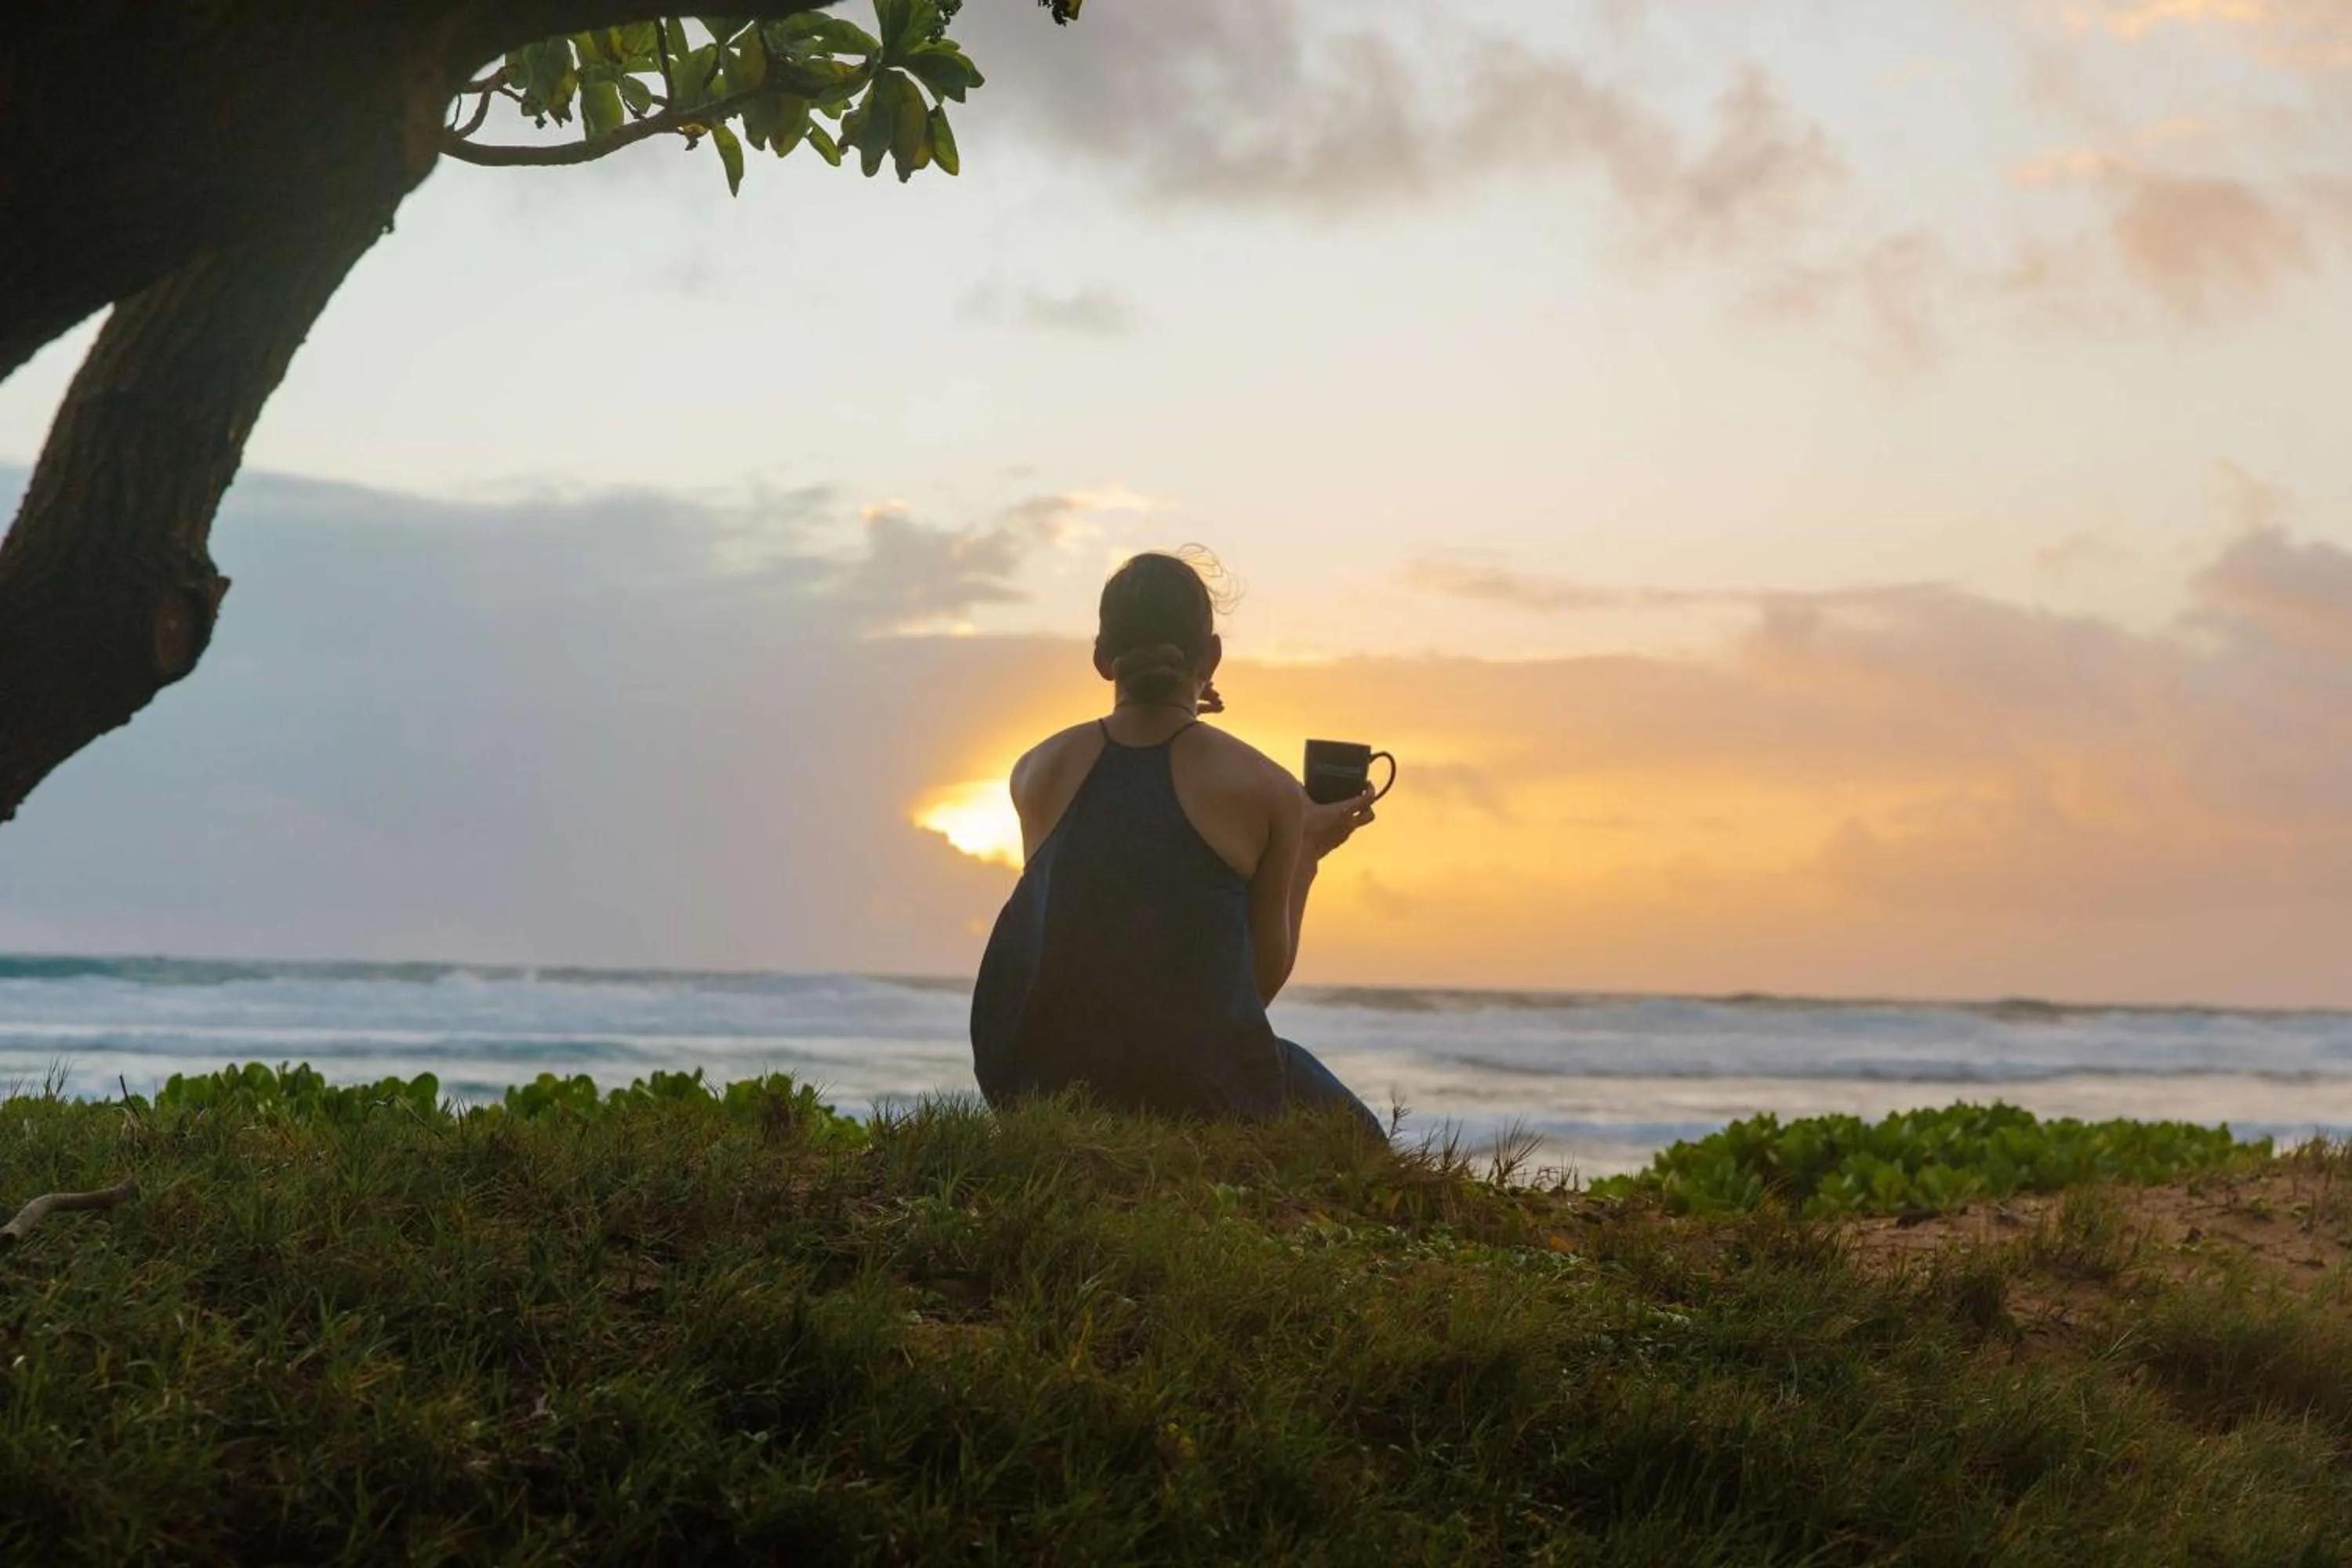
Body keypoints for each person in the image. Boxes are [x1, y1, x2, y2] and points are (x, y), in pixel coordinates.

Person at [970, 550, 1385, 1138]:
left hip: (1033, 1083)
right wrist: (1308, 856)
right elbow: (1250, 996)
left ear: (1100, 658)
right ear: (1211, 657)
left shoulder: (1037, 771)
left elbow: (1076, 951)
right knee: (1364, 1139)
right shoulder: (1268, 790)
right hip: (1189, 1092)